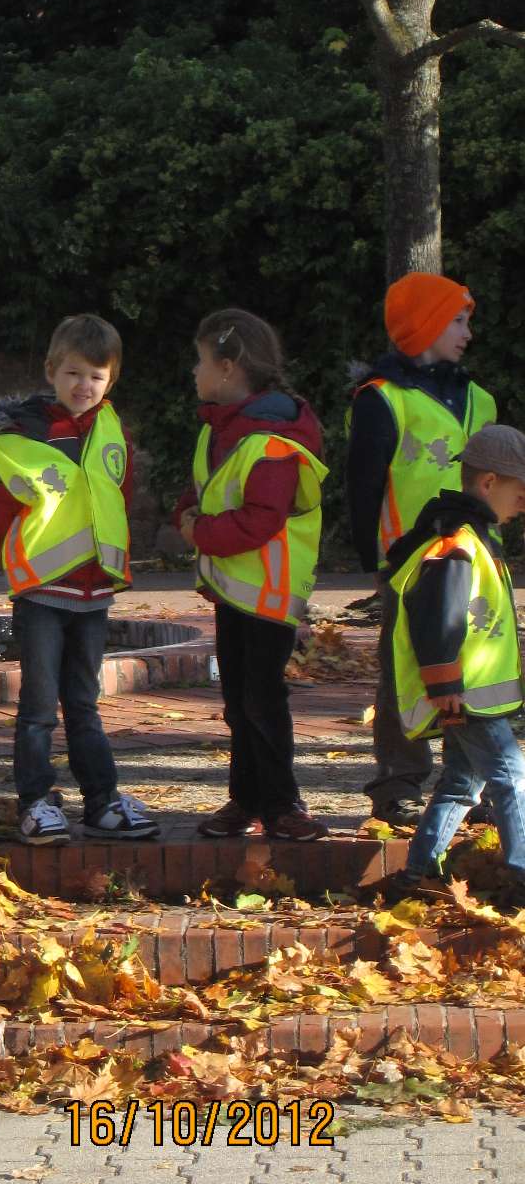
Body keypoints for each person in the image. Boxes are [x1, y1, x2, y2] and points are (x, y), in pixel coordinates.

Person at [0, 312, 159, 842]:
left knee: (84, 702)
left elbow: (118, 495)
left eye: (96, 377)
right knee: (37, 705)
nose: (85, 386)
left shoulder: (110, 429)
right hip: (42, 591)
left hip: (94, 589)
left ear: (111, 380)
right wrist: (15, 560)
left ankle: (100, 800)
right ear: (52, 370)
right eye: (75, 373)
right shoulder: (21, 435)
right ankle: (36, 801)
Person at [346, 271, 497, 823]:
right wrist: (372, 555)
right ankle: (399, 779)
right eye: (457, 320)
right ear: (427, 325)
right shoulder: (381, 399)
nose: (468, 333)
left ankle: (467, 782)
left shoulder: (481, 399)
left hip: (474, 557)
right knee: (403, 668)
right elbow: (362, 482)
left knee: (472, 667)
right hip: (410, 559)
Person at [175, 309, 329, 841]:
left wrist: (199, 534)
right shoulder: (221, 428)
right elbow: (199, 491)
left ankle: (283, 804)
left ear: (227, 366)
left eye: (199, 361)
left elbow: (262, 519)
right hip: (234, 591)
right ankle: (245, 800)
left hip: (267, 591)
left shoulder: (272, 439)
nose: (193, 373)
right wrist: (188, 517)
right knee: (239, 700)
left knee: (262, 698)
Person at [363, 424, 525, 912]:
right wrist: (444, 682)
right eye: (521, 491)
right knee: (511, 776)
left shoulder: (471, 537)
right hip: (467, 693)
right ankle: (521, 874)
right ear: (489, 483)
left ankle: (416, 873)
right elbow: (439, 617)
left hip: (469, 691)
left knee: (461, 783)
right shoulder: (458, 544)